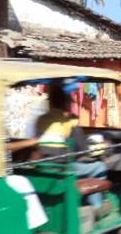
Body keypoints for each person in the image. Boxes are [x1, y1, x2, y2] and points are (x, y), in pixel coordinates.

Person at [36, 84, 110, 217]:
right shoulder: (68, 121)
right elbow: (83, 150)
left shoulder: (40, 119)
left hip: (42, 166)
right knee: (99, 167)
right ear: (66, 103)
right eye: (70, 101)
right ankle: (97, 207)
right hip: (62, 168)